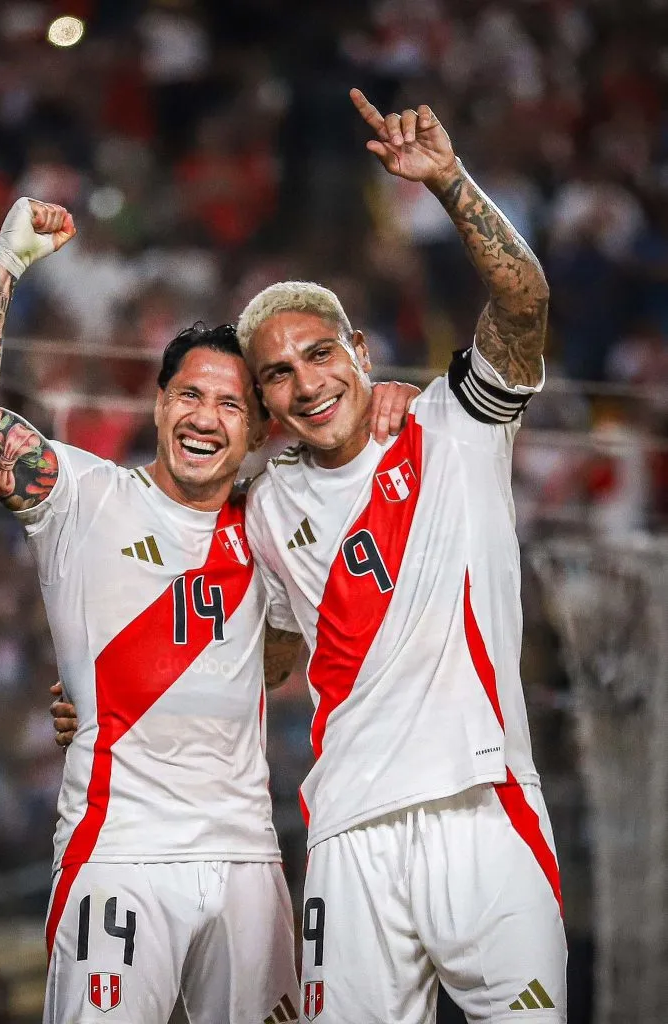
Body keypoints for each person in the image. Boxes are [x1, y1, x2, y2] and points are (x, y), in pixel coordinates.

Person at [0, 196, 416, 1024]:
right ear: (158, 405)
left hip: (247, 863)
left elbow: (275, 651)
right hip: (119, 855)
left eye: (231, 406)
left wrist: (389, 397)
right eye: (189, 396)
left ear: (257, 432)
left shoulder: (272, 521)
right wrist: (7, 264)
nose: (205, 419)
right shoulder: (81, 495)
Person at [231, 89, 567, 1024]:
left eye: (319, 354)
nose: (306, 381)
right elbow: (272, 652)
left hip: (485, 806)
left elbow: (525, 300)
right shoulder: (262, 510)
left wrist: (448, 183)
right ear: (264, 402)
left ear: (359, 352)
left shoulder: (451, 420)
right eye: (278, 373)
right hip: (347, 835)